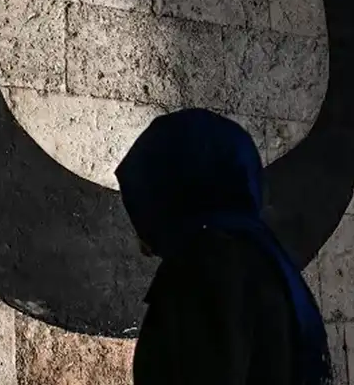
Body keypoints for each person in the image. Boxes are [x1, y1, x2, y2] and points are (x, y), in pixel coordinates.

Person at [115, 109, 332, 385]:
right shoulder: (260, 258)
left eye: (142, 198)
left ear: (174, 188)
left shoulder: (208, 265)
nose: (139, 228)